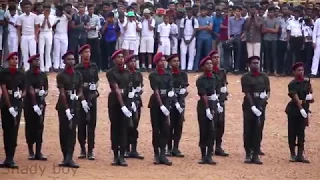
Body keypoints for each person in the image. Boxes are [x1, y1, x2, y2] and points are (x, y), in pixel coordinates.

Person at [56, 51, 84, 168]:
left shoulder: (78, 75)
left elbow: (80, 90)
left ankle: (69, 157)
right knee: (63, 131)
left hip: (75, 105)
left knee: (72, 130)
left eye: (73, 59)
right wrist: (66, 109)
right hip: (63, 106)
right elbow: (62, 94)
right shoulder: (61, 75)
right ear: (64, 61)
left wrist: (77, 96)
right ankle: (64, 156)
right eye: (69, 59)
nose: (71, 61)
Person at [106, 49, 134, 166]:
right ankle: (115, 154)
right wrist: (122, 106)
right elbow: (116, 90)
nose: (121, 59)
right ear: (114, 60)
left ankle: (122, 155)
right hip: (114, 103)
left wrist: (131, 102)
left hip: (126, 101)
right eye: (118, 57)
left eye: (122, 57)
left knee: (124, 128)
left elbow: (129, 88)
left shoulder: (128, 72)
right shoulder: (111, 73)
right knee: (115, 127)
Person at [240, 56, 270, 165]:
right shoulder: (246, 77)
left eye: (257, 63)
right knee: (248, 130)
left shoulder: (264, 77)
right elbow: (247, 93)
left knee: (258, 129)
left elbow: (268, 91)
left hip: (261, 106)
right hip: (249, 106)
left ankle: (256, 154)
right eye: (253, 63)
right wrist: (253, 107)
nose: (256, 65)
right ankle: (248, 153)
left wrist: (263, 100)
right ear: (249, 65)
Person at [0, 52, 26, 168]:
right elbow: (4, 90)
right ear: (9, 60)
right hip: (6, 103)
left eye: (17, 59)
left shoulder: (21, 73)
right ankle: (7, 157)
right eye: (13, 59)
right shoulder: (3, 73)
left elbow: (25, 88)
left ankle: (11, 157)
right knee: (6, 130)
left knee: (14, 130)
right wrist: (9, 106)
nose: (15, 60)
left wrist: (21, 94)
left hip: (17, 102)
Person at [74, 44, 99, 160]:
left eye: (89, 52)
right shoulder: (77, 69)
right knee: (81, 124)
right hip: (81, 99)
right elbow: (76, 86)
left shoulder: (94, 67)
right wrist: (82, 100)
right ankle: (83, 148)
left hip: (92, 97)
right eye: (85, 52)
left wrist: (95, 86)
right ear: (81, 54)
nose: (88, 54)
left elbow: (97, 81)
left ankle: (90, 150)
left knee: (92, 124)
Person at [148, 52, 173, 166]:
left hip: (166, 101)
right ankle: (156, 154)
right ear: (157, 62)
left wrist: (168, 101)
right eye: (161, 61)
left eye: (164, 60)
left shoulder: (168, 75)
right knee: (156, 129)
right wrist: (161, 105)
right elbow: (156, 91)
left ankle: (163, 153)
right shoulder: (153, 75)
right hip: (156, 104)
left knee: (166, 128)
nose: (163, 62)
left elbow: (169, 88)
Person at [285, 62, 313, 163]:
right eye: (299, 70)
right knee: (292, 132)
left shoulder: (307, 83)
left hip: (304, 110)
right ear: (294, 72)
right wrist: (301, 108)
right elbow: (295, 98)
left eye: (302, 70)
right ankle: (293, 154)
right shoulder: (292, 84)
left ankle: (300, 155)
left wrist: (310, 98)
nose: (301, 72)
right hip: (294, 111)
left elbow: (310, 97)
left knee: (301, 133)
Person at [24, 54, 48, 161]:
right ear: (30, 62)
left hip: (41, 103)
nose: (38, 62)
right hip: (29, 104)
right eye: (35, 60)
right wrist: (34, 105)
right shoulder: (27, 75)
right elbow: (30, 90)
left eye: (38, 60)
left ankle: (39, 151)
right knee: (30, 126)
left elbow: (46, 89)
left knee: (40, 126)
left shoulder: (43, 75)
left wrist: (44, 93)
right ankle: (31, 150)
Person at [195, 56, 218, 165]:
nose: (210, 65)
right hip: (203, 107)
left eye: (211, 63)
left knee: (212, 131)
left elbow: (215, 91)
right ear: (203, 66)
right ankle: (203, 155)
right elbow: (203, 95)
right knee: (204, 130)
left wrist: (216, 103)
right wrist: (208, 109)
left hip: (213, 105)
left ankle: (209, 155)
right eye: (207, 64)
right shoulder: (201, 80)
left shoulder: (214, 77)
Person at [166, 54, 188, 157]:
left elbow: (184, 88)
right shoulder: (167, 74)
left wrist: (183, 93)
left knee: (178, 126)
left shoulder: (183, 74)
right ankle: (169, 148)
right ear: (170, 63)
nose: (177, 63)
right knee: (169, 125)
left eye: (178, 61)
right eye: (174, 61)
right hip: (169, 103)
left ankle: (176, 148)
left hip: (180, 103)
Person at [124, 54, 144, 159]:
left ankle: (134, 149)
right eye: (131, 61)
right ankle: (126, 148)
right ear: (127, 63)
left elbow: (141, 87)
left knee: (135, 125)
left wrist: (138, 92)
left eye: (134, 61)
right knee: (128, 125)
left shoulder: (138, 74)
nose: (133, 63)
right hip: (127, 102)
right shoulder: (125, 74)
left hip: (136, 102)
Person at [209, 51, 229, 156]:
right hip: (211, 101)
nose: (217, 59)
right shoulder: (209, 73)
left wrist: (223, 98)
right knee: (212, 124)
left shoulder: (222, 72)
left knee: (221, 124)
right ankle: (210, 147)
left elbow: (224, 85)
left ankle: (218, 146)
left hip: (220, 101)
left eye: (218, 57)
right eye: (214, 57)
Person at [16, 1, 39, 71]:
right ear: (23, 8)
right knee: (25, 53)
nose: (27, 8)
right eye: (26, 7)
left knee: (33, 53)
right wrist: (19, 38)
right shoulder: (20, 17)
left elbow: (37, 27)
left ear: (31, 7)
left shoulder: (35, 16)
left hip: (32, 36)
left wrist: (36, 36)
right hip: (24, 36)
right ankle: (26, 68)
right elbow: (18, 28)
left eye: (28, 7)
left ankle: (33, 68)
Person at [53, 5, 71, 71]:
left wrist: (64, 13)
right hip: (57, 35)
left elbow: (70, 18)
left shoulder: (65, 17)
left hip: (64, 35)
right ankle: (56, 66)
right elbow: (52, 27)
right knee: (56, 52)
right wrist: (56, 23)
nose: (57, 12)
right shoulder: (54, 17)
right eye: (56, 10)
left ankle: (62, 66)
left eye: (58, 11)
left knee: (63, 52)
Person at [180, 7, 199, 71]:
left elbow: (195, 31)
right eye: (188, 12)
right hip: (184, 37)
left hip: (192, 37)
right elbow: (181, 30)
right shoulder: (183, 20)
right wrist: (184, 39)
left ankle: (189, 68)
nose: (189, 13)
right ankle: (183, 67)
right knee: (183, 52)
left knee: (191, 53)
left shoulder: (195, 20)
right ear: (186, 13)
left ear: (192, 13)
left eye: (190, 12)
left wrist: (190, 39)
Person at [37, 5, 55, 72]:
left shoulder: (52, 17)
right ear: (43, 11)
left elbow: (50, 26)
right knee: (41, 51)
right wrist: (45, 18)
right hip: (42, 33)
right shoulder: (39, 17)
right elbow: (42, 27)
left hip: (49, 33)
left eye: (48, 11)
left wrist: (47, 18)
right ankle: (41, 67)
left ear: (50, 11)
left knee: (48, 51)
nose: (47, 12)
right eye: (45, 10)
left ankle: (47, 67)